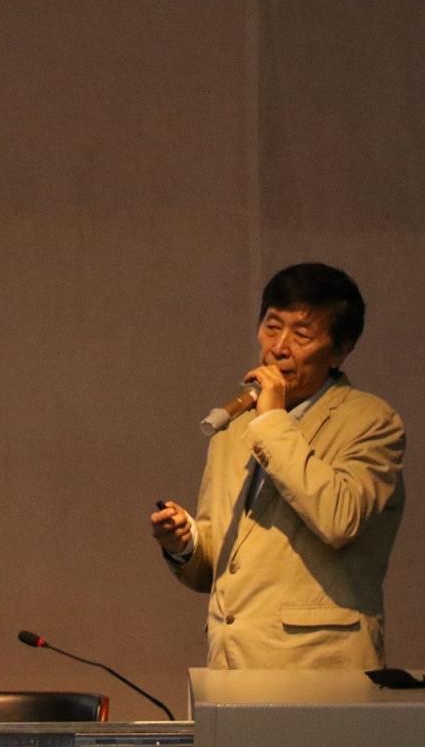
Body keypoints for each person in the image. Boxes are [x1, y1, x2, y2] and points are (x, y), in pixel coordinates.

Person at [150, 261, 404, 669]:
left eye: (301, 334)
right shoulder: (237, 426)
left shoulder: (371, 421)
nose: (279, 347)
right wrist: (186, 544)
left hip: (318, 667)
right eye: (272, 327)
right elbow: (223, 558)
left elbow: (339, 518)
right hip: (231, 665)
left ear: (340, 350)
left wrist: (271, 421)